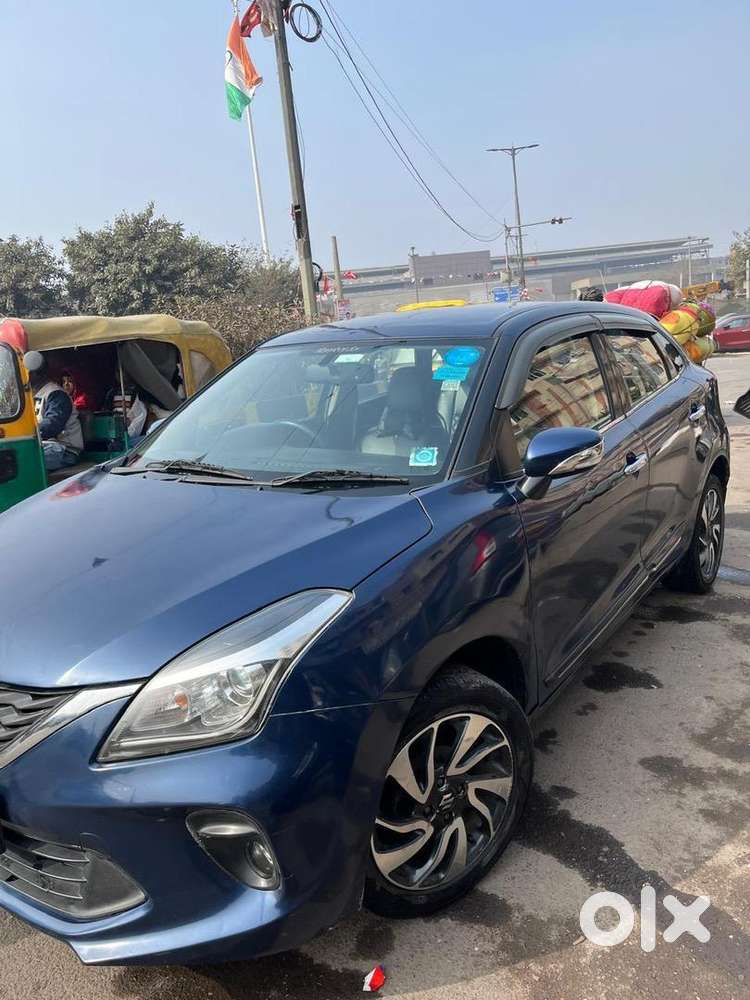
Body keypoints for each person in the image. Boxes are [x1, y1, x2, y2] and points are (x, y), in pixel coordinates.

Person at [24, 351, 84, 472]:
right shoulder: (29, 395)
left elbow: (52, 424)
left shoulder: (56, 394)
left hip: (65, 450)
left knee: (22, 461)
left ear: (35, 373)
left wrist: (26, 434)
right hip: (44, 445)